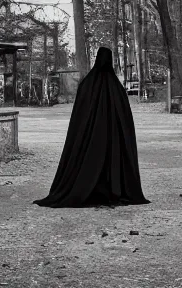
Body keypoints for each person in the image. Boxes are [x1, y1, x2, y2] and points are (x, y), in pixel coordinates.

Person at [34, 46, 149, 208]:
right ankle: (112, 189)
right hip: (112, 141)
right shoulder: (117, 89)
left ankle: (87, 188)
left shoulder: (87, 85)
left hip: (90, 140)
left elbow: (78, 121)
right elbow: (126, 124)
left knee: (91, 159)